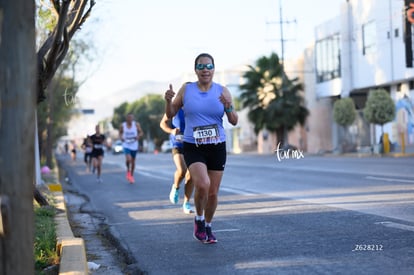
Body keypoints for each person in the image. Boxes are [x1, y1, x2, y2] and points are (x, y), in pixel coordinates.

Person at [164, 53, 238, 244]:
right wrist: (168, 101)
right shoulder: (187, 90)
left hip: (217, 145)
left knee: (213, 192)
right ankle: (198, 219)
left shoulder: (222, 91)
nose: (205, 70)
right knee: (202, 184)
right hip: (193, 146)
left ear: (213, 69)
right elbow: (171, 114)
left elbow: (234, 120)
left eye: (209, 66)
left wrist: (229, 107)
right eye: (201, 66)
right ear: (195, 70)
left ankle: (208, 224)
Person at [160, 109, 194, 214]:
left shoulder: (195, 104)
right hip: (177, 143)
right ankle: (175, 187)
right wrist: (171, 131)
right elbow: (163, 123)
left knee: (191, 174)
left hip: (192, 143)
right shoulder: (175, 107)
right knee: (182, 170)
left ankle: (186, 203)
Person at [119, 113, 144, 184]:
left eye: (131, 118)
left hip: (134, 145)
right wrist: (121, 138)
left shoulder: (136, 125)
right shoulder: (123, 125)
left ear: (133, 118)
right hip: (126, 144)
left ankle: (131, 175)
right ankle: (128, 170)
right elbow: (120, 133)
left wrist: (138, 136)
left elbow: (141, 132)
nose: (130, 119)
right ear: (126, 118)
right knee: (128, 159)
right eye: (129, 118)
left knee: (133, 162)